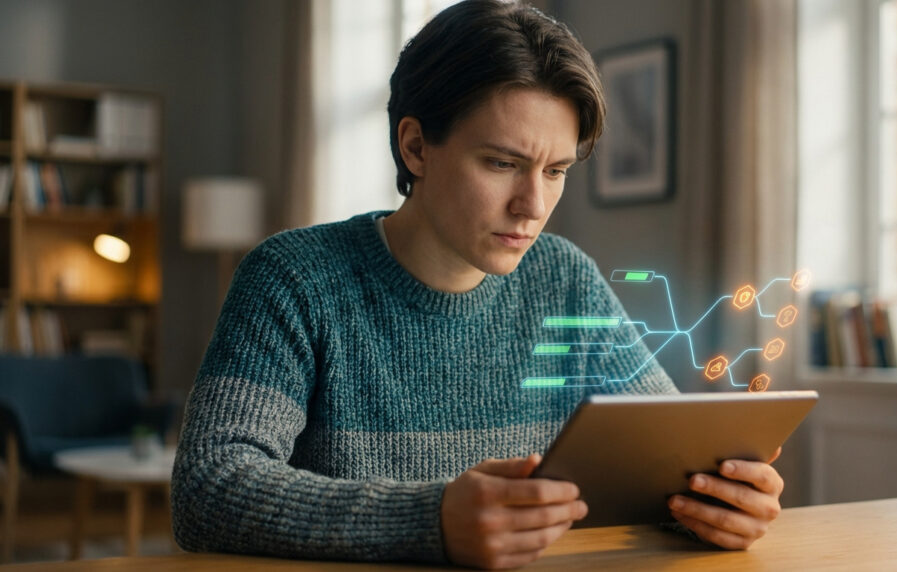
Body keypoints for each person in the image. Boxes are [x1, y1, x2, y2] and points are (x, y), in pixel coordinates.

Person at [170, 1, 784, 569]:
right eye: (502, 164)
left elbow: (666, 454)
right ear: (416, 147)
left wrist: (717, 502)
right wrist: (429, 520)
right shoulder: (295, 278)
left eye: (555, 171)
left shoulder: (564, 278)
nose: (532, 205)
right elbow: (208, 487)